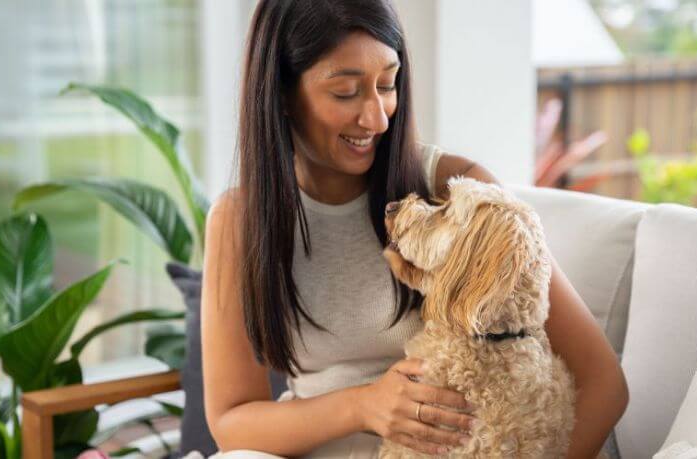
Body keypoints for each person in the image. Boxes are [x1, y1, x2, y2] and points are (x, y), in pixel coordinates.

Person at [200, 1, 629, 458]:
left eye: (388, 84)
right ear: (282, 93)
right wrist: (362, 406)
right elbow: (232, 422)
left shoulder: (456, 193)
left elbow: (602, 383)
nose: (378, 118)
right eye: (345, 92)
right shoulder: (240, 220)